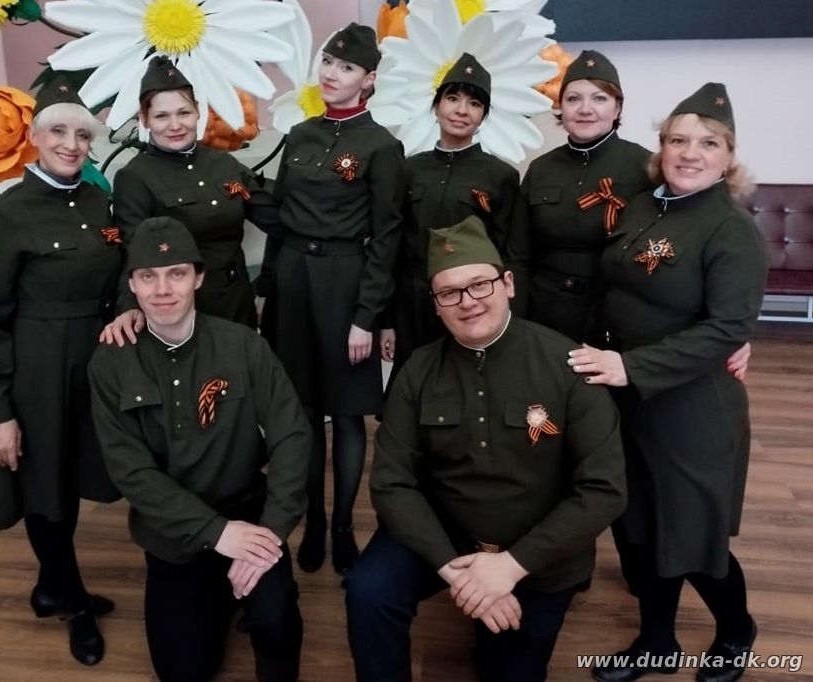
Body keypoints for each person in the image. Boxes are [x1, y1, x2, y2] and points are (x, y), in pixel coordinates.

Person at [346, 216, 627, 682]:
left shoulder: (568, 365)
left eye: (480, 284)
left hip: (537, 552)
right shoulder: (417, 371)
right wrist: (457, 573)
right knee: (368, 591)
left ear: (508, 284)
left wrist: (510, 568)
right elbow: (392, 484)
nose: (468, 301)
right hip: (444, 539)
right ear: (436, 305)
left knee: (508, 670)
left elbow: (605, 490)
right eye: (449, 293)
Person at [576, 84, 766, 682]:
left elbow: (728, 327)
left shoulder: (730, 230)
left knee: (691, 538)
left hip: (692, 410)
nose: (690, 153)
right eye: (678, 140)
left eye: (708, 143)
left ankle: (736, 630)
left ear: (728, 157)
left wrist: (631, 367)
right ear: (660, 149)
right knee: (639, 530)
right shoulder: (643, 205)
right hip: (626, 401)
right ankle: (657, 643)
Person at [88, 217, 311, 682]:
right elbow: (131, 472)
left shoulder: (242, 346)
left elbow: (292, 435)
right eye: (148, 275)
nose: (162, 289)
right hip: (171, 534)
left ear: (198, 277)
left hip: (248, 517)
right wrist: (214, 532)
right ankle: (218, 600)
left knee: (277, 623)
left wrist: (270, 533)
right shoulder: (111, 362)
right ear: (132, 284)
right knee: (183, 671)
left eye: (176, 273)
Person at [0, 76, 121, 666]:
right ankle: (73, 602)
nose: (71, 145)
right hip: (36, 368)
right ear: (34, 137)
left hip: (92, 363)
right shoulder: (5, 215)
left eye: (82, 135)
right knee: (43, 485)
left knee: (69, 476)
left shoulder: (99, 203)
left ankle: (51, 585)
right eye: (58, 131)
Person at [267, 22, 405, 574]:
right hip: (293, 281)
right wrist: (270, 290)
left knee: (347, 415)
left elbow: (387, 238)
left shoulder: (381, 146)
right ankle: (314, 523)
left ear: (368, 79)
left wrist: (367, 316)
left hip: (346, 284)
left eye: (346, 67)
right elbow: (280, 215)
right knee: (301, 414)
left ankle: (344, 524)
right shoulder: (299, 134)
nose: (331, 73)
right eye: (328, 61)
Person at [103, 55, 280, 345]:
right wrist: (128, 306)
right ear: (144, 120)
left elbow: (276, 218)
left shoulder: (224, 165)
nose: (175, 125)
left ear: (198, 112)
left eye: (183, 113)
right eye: (161, 116)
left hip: (235, 306)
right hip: (179, 313)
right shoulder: (135, 177)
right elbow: (131, 250)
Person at [380, 52, 524, 378]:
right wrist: (386, 321)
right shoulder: (409, 170)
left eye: (474, 104)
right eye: (452, 98)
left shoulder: (501, 176)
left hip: (470, 304)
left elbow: (508, 255)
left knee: (466, 385)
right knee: (411, 385)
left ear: (483, 116)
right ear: (436, 107)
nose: (461, 110)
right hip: (412, 304)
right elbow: (392, 249)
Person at [508, 50, 652, 342]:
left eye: (599, 98)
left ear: (617, 108)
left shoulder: (645, 167)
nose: (585, 109)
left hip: (612, 314)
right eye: (573, 99)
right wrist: (515, 323)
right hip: (544, 311)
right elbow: (518, 255)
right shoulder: (541, 169)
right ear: (561, 107)